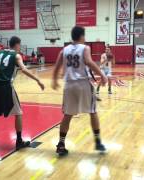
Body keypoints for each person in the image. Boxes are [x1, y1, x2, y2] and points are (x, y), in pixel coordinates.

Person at [0, 36, 45, 150]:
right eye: (19, 45)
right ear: (17, 45)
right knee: (18, 113)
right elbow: (24, 69)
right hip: (6, 87)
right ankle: (19, 141)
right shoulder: (16, 55)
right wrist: (38, 80)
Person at [52, 26, 108, 156]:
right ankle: (98, 142)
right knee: (92, 112)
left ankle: (61, 144)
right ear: (82, 36)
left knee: (67, 115)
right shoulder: (85, 48)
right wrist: (102, 75)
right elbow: (88, 62)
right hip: (83, 83)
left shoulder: (64, 50)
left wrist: (54, 80)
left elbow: (56, 66)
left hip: (69, 85)